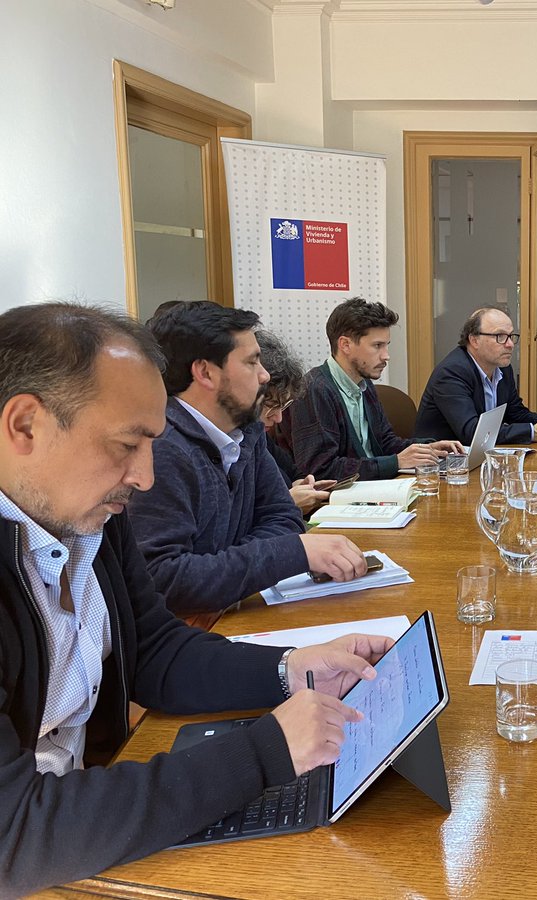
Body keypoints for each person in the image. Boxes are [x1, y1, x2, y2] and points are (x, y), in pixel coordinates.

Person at [0, 302, 391, 896]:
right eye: (129, 443)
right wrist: (264, 752)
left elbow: (154, 651)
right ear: (25, 425)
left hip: (83, 816)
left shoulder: (84, 518)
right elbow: (13, 836)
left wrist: (292, 669)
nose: (146, 477)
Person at [128, 301, 367, 614]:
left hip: (232, 611)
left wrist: (223, 567)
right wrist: (288, 553)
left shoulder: (247, 431)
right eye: (252, 362)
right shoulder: (162, 449)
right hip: (190, 633)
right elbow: (165, 580)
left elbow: (285, 518)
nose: (265, 375)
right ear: (205, 373)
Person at [284, 298, 462, 480]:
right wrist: (396, 462)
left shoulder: (363, 382)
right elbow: (321, 470)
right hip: (338, 501)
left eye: (386, 345)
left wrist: (427, 448)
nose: (386, 356)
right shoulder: (314, 390)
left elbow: (384, 442)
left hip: (371, 489)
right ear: (345, 344)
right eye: (377, 346)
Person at [413, 307, 537, 444]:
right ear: (474, 340)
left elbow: (515, 413)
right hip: (440, 465)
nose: (509, 344)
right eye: (499, 337)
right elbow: (472, 432)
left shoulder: (502, 368)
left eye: (511, 336)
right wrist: (532, 431)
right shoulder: (452, 373)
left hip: (479, 458)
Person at [256, 330, 336, 515]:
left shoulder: (257, 436)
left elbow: (293, 473)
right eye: (271, 406)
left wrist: (302, 485)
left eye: (282, 407)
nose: (278, 418)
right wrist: (288, 503)